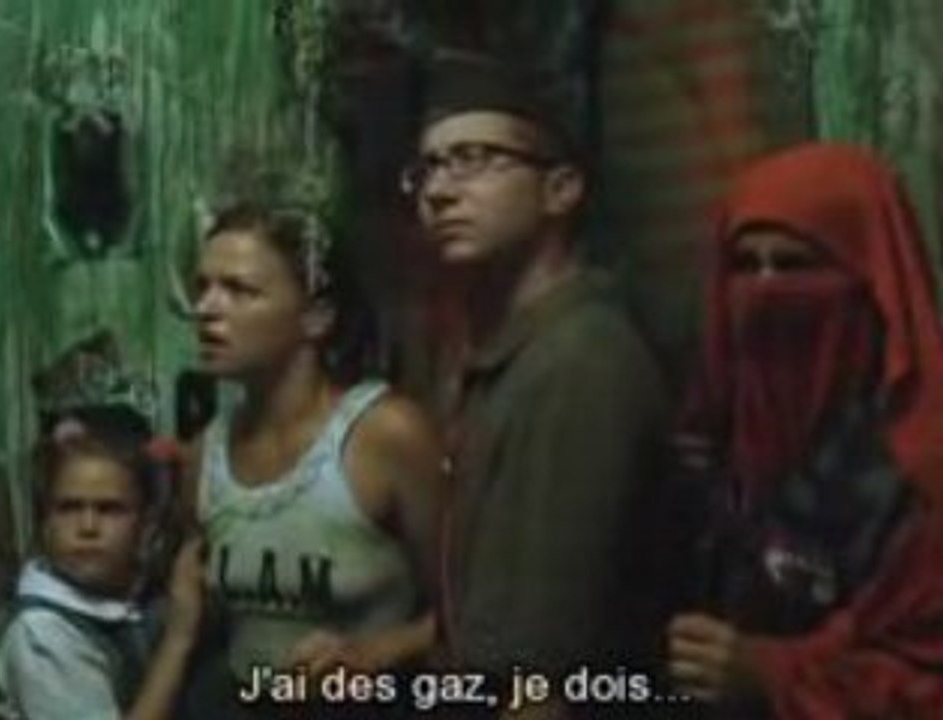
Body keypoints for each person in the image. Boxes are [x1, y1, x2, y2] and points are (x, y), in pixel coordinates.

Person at [403, 50, 670, 716]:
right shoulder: (504, 351)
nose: (439, 191)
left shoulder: (579, 361)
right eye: (429, 168)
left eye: (474, 159)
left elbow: (541, 673)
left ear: (560, 189)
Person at [667, 142, 943, 718]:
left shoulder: (921, 467)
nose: (766, 290)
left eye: (795, 265)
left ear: (869, 280)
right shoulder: (711, 446)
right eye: (745, 265)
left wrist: (776, 675)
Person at [182, 167, 446, 717]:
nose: (206, 308)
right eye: (202, 286)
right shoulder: (205, 454)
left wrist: (380, 651)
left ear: (316, 316)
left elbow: (470, 610)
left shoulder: (385, 435)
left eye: (239, 290)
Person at [0, 404, 204, 720]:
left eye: (110, 509)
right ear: (46, 524)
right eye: (68, 508)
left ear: (146, 526)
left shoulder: (126, 595)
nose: (88, 526)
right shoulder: (43, 634)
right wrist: (179, 636)